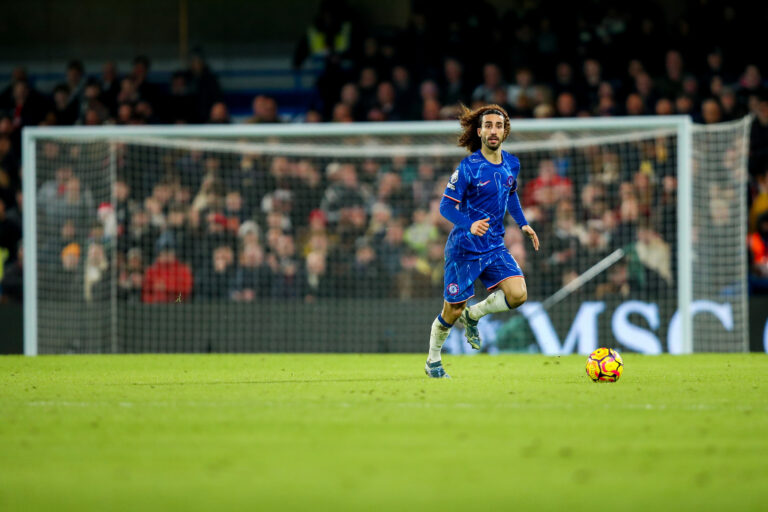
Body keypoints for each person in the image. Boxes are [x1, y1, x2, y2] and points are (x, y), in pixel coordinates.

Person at [425, 104, 540, 378]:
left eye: (498, 126)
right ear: (479, 132)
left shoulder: (512, 163)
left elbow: (511, 192)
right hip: (464, 248)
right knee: (452, 310)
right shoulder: (468, 167)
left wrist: (523, 223)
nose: (493, 130)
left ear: (505, 131)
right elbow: (445, 207)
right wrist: (470, 224)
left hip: (494, 246)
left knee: (518, 294)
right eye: (488, 125)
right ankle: (433, 361)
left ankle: (474, 315)